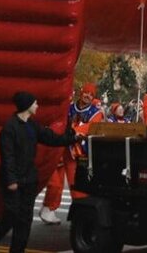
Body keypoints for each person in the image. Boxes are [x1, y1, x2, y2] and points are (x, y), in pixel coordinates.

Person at [0, 92, 70, 253]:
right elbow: (7, 156)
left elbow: (49, 138)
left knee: (25, 219)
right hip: (13, 180)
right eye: (35, 103)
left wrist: (70, 138)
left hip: (29, 178)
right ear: (27, 106)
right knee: (11, 214)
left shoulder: (32, 125)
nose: (37, 106)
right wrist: (11, 180)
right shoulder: (10, 128)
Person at [41, 85, 102, 225]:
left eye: (91, 95)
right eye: (86, 93)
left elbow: (90, 128)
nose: (88, 96)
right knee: (55, 182)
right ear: (81, 93)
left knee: (77, 183)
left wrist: (73, 131)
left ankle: (81, 212)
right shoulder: (68, 107)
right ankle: (49, 207)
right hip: (59, 147)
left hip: (76, 151)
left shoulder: (95, 112)